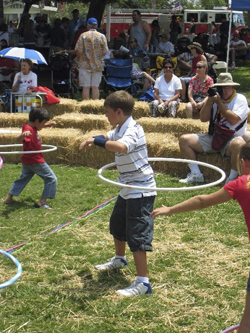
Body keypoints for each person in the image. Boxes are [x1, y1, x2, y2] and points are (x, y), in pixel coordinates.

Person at [151, 141, 250, 333]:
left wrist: (170, 209)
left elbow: (201, 201)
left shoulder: (240, 184)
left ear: (244, 163)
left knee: (246, 323)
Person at [79, 90, 157, 297]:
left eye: (107, 112)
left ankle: (143, 283)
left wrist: (97, 142)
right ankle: (119, 259)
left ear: (119, 111)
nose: (106, 116)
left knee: (137, 235)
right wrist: (93, 138)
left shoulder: (133, 129)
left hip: (141, 190)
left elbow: (122, 147)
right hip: (127, 187)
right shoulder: (120, 126)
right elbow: (109, 136)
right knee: (118, 224)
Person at [179, 72, 248, 184]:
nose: (223, 90)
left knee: (239, 144)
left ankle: (231, 179)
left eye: (226, 87)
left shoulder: (239, 99)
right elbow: (203, 118)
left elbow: (234, 119)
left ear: (232, 87)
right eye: (220, 87)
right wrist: (209, 100)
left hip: (231, 139)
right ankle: (196, 174)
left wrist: (219, 102)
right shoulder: (215, 99)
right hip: (215, 136)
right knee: (184, 140)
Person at [3, 107, 57, 209]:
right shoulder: (28, 130)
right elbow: (19, 140)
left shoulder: (31, 127)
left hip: (27, 160)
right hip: (35, 160)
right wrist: (23, 136)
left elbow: (37, 127)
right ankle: (42, 202)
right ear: (37, 121)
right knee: (51, 179)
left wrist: (47, 125)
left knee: (23, 179)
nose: (43, 125)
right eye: (43, 123)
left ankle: (9, 197)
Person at [75, 17, 108, 100]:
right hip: (98, 65)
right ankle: (95, 107)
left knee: (86, 87)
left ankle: (86, 107)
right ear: (96, 26)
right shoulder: (102, 36)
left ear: (88, 25)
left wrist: (77, 59)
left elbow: (79, 51)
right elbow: (105, 51)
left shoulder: (83, 35)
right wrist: (98, 57)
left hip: (84, 64)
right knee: (95, 86)